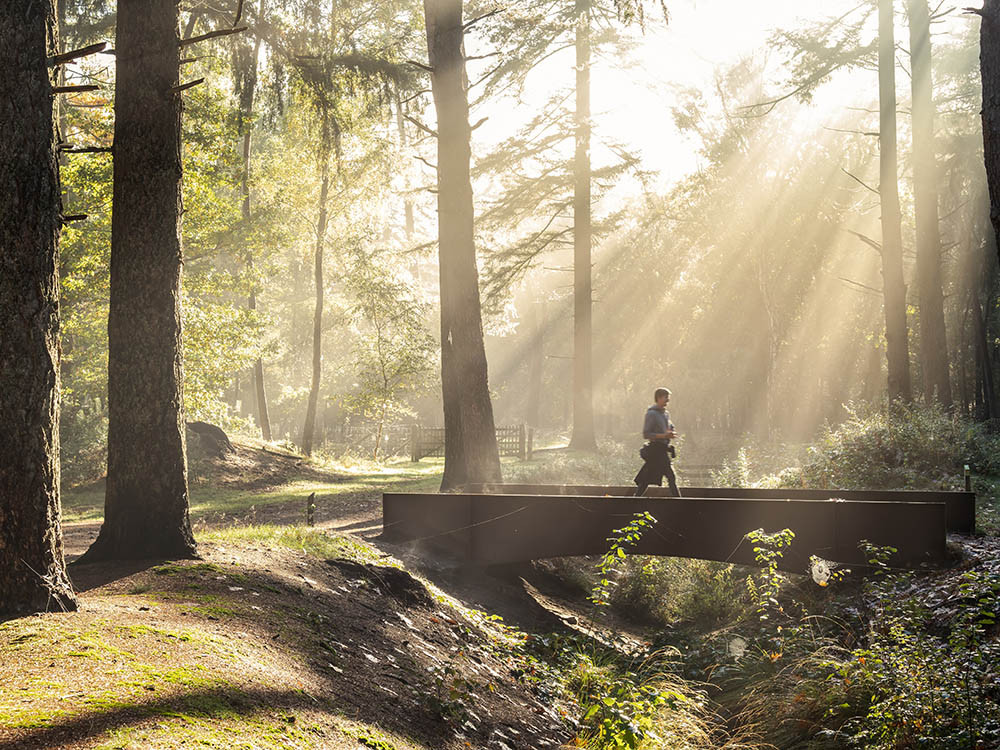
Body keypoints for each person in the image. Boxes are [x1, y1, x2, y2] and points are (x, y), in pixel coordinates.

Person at [634, 387, 681, 497]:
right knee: (670, 476)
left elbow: (669, 428)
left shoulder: (665, 414)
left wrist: (671, 433)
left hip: (663, 450)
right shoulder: (651, 414)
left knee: (647, 479)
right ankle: (680, 502)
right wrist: (664, 435)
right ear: (659, 398)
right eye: (666, 398)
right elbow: (646, 434)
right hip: (655, 451)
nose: (668, 401)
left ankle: (635, 498)